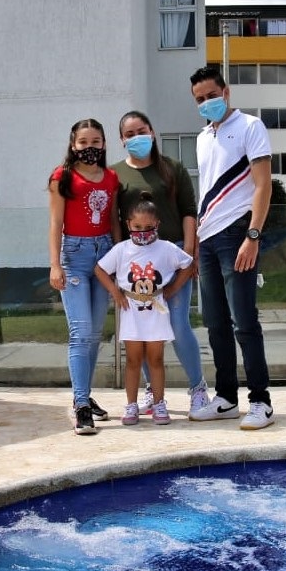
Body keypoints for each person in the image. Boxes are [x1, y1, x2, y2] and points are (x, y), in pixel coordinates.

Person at [186, 66, 275, 430]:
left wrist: (252, 236)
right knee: (216, 323)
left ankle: (261, 401)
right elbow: (206, 190)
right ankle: (226, 398)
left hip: (238, 233)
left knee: (244, 321)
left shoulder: (251, 127)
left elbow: (262, 185)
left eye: (211, 95)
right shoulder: (202, 137)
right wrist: (195, 246)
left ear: (226, 92)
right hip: (207, 238)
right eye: (199, 100)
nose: (206, 103)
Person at [110, 111, 209, 416]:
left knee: (177, 325)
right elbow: (116, 221)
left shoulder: (172, 168)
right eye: (129, 134)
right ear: (122, 140)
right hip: (137, 265)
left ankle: (198, 389)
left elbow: (189, 211)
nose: (136, 137)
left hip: (174, 256)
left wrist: (189, 256)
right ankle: (152, 392)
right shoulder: (115, 175)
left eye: (141, 130)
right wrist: (119, 259)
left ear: (152, 132)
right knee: (141, 331)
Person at [95, 192, 195, 426]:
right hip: (131, 311)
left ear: (157, 224)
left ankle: (159, 403)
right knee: (132, 359)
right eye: (137, 226)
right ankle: (131, 404)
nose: (142, 231)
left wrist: (171, 289)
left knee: (156, 359)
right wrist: (115, 291)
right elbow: (99, 269)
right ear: (128, 224)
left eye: (148, 226)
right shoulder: (121, 250)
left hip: (156, 312)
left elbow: (188, 265)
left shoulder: (166, 248)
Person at [48, 119, 118, 435]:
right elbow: (55, 223)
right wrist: (55, 265)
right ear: (73, 144)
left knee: (94, 334)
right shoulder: (62, 177)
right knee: (81, 331)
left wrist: (119, 258)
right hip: (74, 257)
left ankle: (85, 394)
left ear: (103, 144)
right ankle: (80, 406)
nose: (89, 147)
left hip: (104, 255)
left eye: (96, 141)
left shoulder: (111, 178)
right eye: (83, 142)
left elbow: (114, 221)